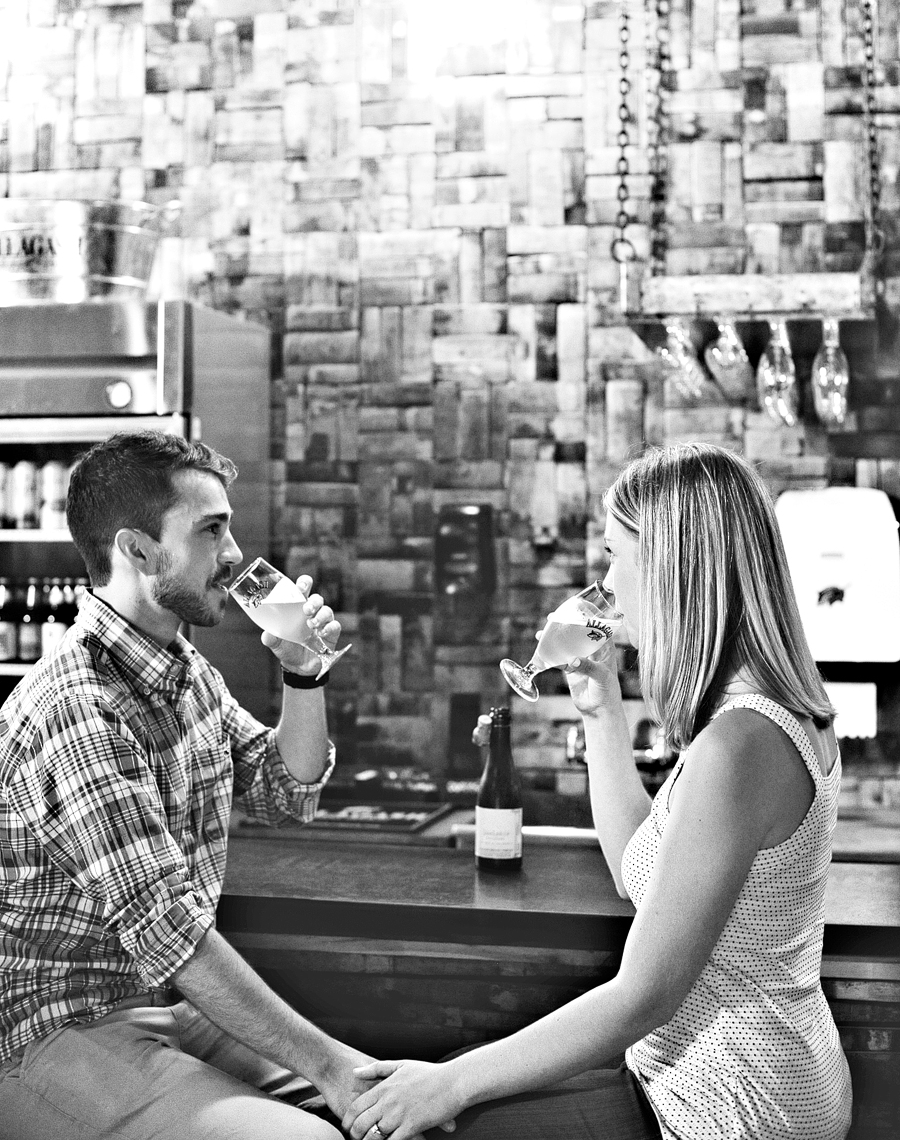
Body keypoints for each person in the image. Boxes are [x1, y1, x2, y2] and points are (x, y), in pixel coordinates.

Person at [342, 442, 853, 1140]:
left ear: (675, 566)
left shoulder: (739, 744)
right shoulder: (765, 716)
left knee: (439, 1113)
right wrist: (601, 707)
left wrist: (446, 1086)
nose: (606, 582)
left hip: (726, 1104)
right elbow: (632, 871)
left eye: (616, 554)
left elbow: (643, 993)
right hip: (725, 1074)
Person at [0, 430, 370, 1140]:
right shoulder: (78, 706)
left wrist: (303, 673)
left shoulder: (185, 672)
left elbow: (284, 790)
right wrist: (331, 1065)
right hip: (56, 1025)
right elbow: (172, 931)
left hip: (166, 1002)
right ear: (138, 550)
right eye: (211, 530)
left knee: (386, 1111)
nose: (234, 555)